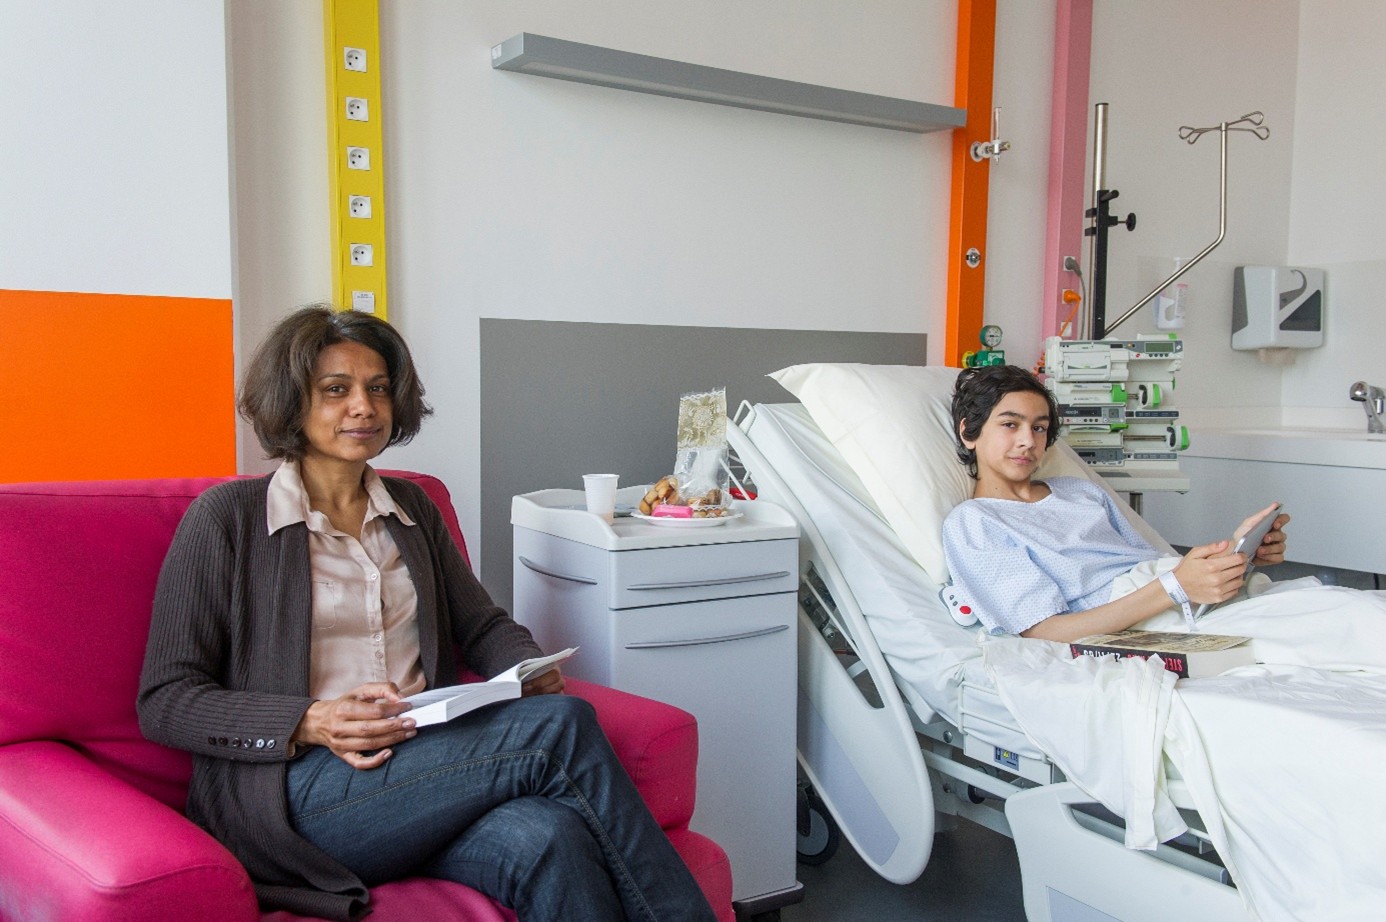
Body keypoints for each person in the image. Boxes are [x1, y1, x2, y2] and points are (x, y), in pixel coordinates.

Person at [138, 305, 716, 922]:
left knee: (552, 838)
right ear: (291, 402)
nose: (363, 406)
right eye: (336, 390)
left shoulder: (411, 506)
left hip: (427, 763)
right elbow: (166, 699)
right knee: (558, 726)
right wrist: (313, 719)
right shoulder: (227, 519)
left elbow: (482, 625)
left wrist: (523, 665)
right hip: (298, 792)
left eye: (378, 388)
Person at [941, 365, 1290, 642]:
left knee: (1330, 608)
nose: (1027, 440)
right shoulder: (974, 522)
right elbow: (1045, 631)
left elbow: (1150, 565)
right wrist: (1176, 587)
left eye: (1038, 428)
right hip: (1143, 615)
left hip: (1170, 595)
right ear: (969, 433)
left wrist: (1233, 560)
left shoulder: (1081, 493)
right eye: (1009, 424)